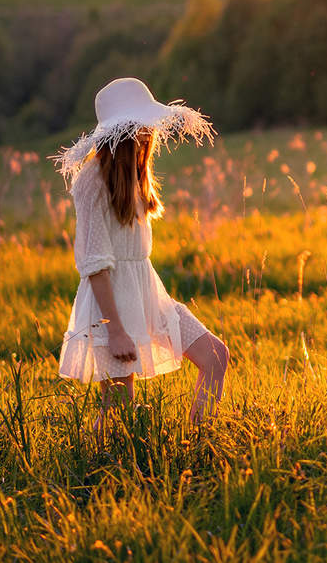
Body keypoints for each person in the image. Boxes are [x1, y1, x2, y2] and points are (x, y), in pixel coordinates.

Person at [53, 77, 229, 427]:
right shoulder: (93, 180)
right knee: (118, 406)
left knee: (215, 356)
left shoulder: (136, 172)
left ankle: (200, 440)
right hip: (111, 305)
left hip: (146, 292)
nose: (150, 133)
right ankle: (97, 462)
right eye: (142, 126)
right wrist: (116, 330)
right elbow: (95, 264)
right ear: (125, 131)